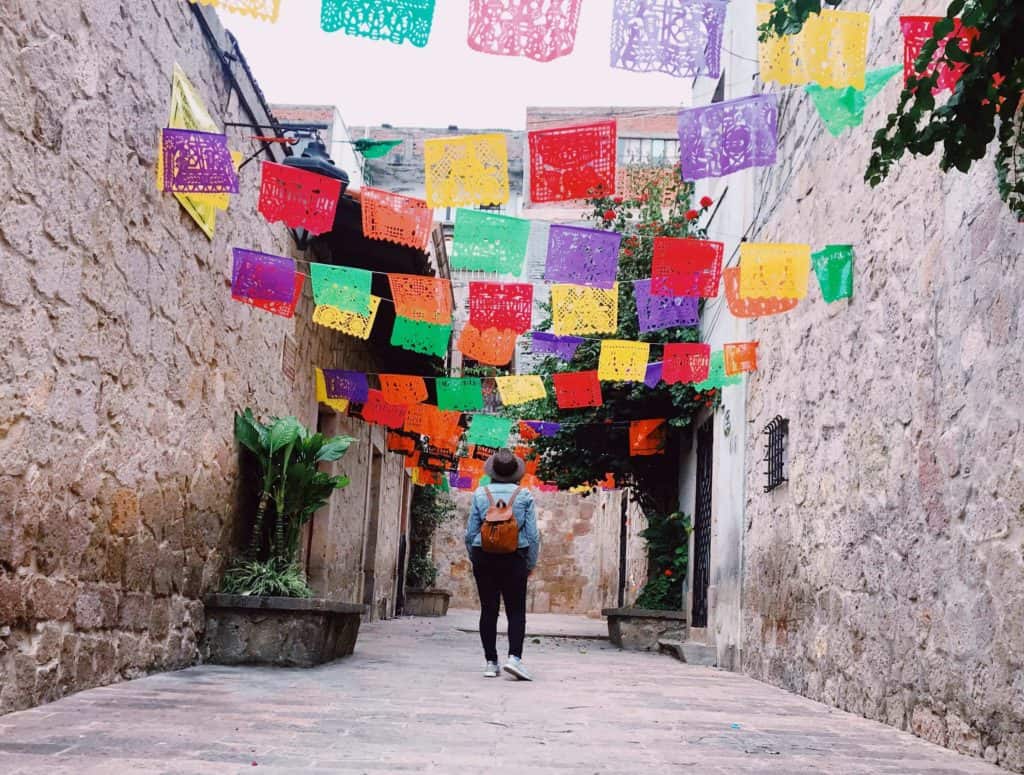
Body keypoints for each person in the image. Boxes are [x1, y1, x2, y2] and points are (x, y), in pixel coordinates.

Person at [464, 448, 540, 680]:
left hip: (483, 554)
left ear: (493, 471)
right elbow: (533, 535)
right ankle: (514, 659)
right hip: (514, 556)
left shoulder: (480, 494)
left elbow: (470, 533)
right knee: (516, 611)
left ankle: (490, 662)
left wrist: (474, 556)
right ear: (515, 473)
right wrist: (530, 563)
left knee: (489, 609)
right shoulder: (525, 496)